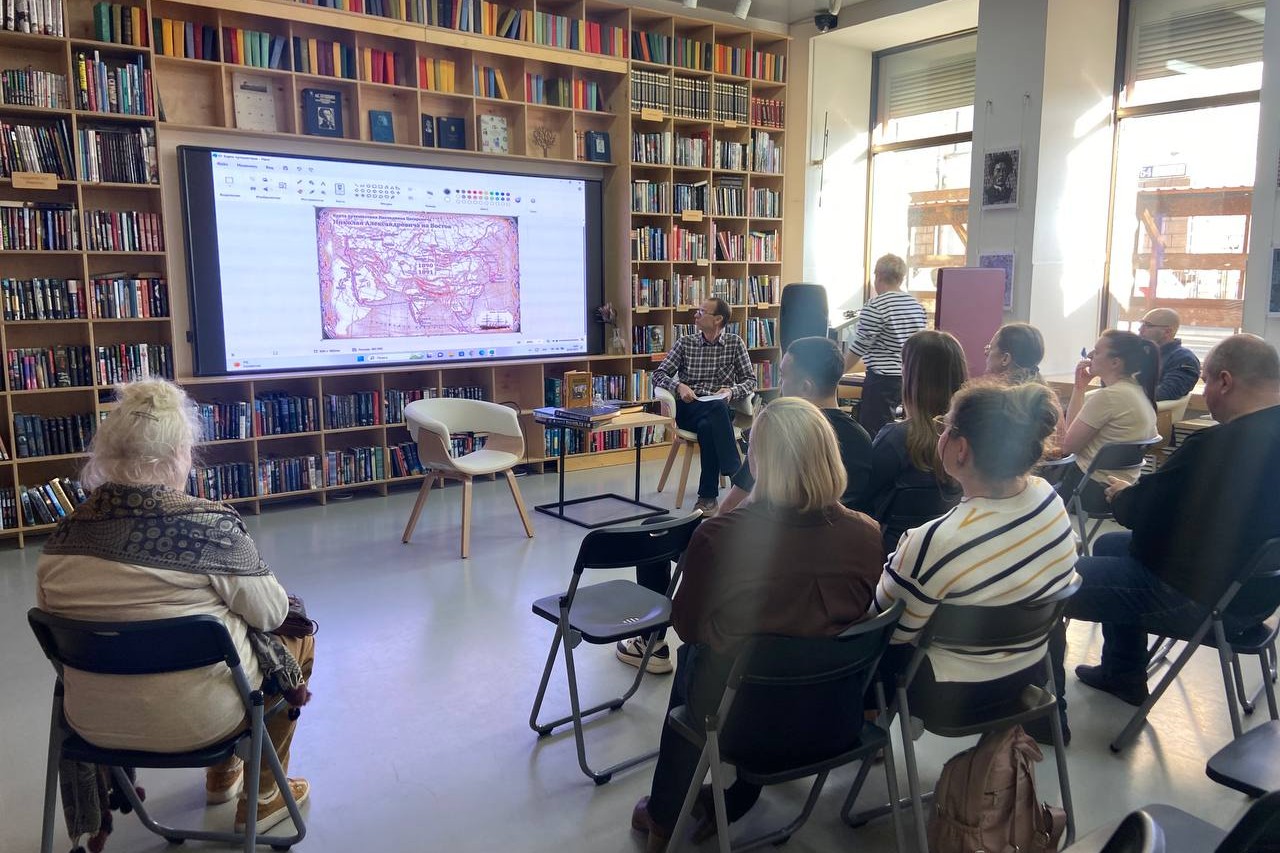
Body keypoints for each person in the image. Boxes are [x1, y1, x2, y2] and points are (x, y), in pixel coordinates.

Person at [36, 379, 313, 836]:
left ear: (104, 454)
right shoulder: (212, 529)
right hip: (205, 721)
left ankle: (223, 774)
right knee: (292, 640)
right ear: (180, 454)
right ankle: (263, 796)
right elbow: (272, 614)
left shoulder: (59, 542)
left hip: (92, 724)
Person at [630, 398, 883, 852]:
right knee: (779, 655)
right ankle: (733, 799)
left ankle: (665, 816)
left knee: (698, 658)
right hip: (835, 717)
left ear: (760, 460)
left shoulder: (719, 536)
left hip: (739, 726)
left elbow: (688, 626)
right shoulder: (867, 533)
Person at [1061, 334, 1280, 706]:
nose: (1205, 392)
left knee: (1045, 583)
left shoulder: (1215, 446)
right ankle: (1122, 673)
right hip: (1255, 596)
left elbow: (1141, 515)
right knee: (1110, 543)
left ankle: (1042, 716)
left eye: (1205, 382)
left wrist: (1124, 496)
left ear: (1225, 381)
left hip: (1196, 598)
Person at [870, 381, 1078, 739]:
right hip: (1027, 676)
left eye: (945, 426)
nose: (941, 433)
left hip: (949, 696)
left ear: (961, 448)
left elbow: (886, 631)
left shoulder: (936, 540)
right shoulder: (1049, 499)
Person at [716, 336, 873, 515]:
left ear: (806, 387)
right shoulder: (862, 439)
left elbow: (728, 509)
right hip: (840, 531)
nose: (780, 384)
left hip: (776, 530)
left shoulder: (775, 433)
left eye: (783, 376)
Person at [862, 330, 967, 554]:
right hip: (948, 554)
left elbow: (861, 501)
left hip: (895, 556)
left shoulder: (896, 439)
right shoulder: (969, 439)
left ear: (913, 377)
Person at [651, 296, 757, 515]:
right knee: (716, 411)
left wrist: (731, 391)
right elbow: (658, 374)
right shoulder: (685, 343)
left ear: (718, 319)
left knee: (710, 425)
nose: (696, 315)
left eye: (701, 312)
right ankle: (736, 474)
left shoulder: (735, 343)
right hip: (690, 407)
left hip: (719, 409)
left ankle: (707, 498)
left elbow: (750, 380)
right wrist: (679, 386)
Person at [1057, 330, 1159, 512]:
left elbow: (1067, 447)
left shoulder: (1109, 397)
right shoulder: (1138, 392)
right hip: (1123, 487)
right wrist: (1080, 388)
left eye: (1097, 352)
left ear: (1115, 362)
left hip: (1091, 490)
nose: (1090, 356)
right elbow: (1071, 436)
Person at [843, 253, 928, 438]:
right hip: (909, 377)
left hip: (882, 381)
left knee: (874, 434)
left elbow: (859, 347)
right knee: (905, 431)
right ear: (901, 278)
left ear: (878, 275)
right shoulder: (917, 307)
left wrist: (838, 372)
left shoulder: (876, 306)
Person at [1137, 307, 1201, 402]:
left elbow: (1166, 392)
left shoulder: (1184, 358)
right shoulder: (1144, 353)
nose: (1140, 329)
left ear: (1167, 332)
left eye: (1148, 325)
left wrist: (1128, 395)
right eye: (1141, 324)